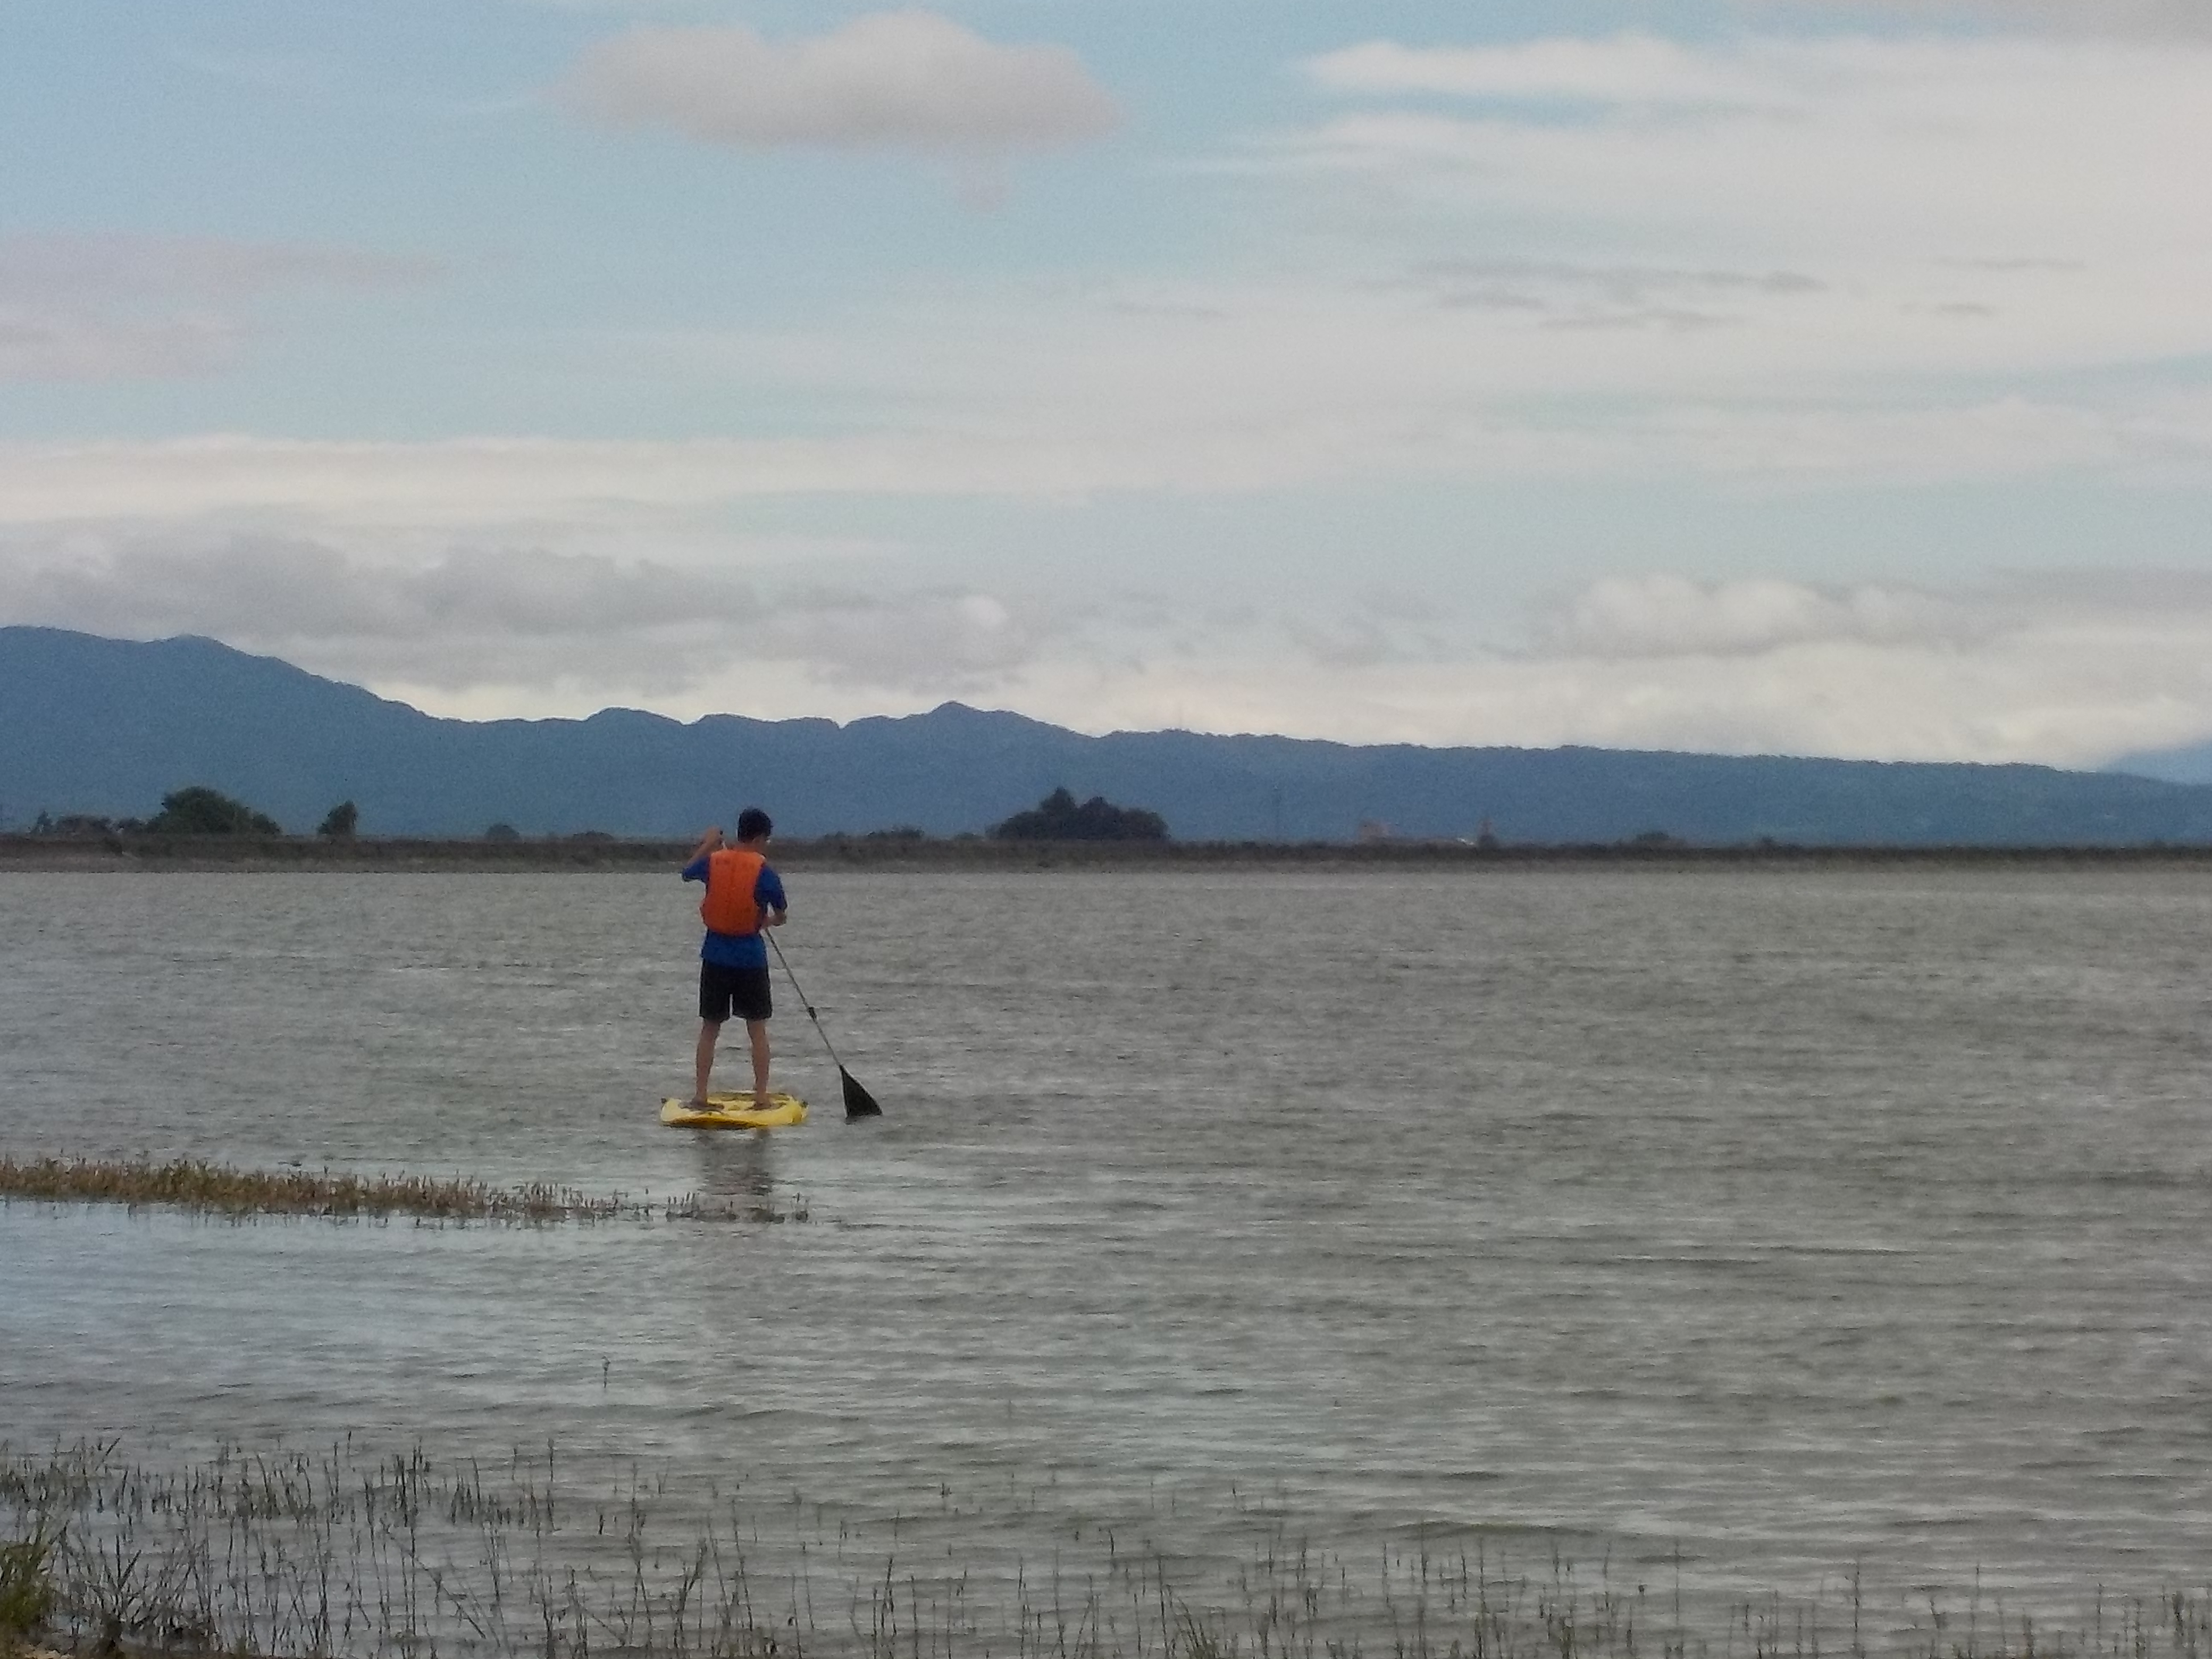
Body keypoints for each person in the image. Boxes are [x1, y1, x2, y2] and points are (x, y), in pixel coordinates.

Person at [681, 807, 788, 1109]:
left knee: (710, 1027)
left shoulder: (713, 861)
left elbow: (686, 872)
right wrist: (766, 921)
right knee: (757, 1028)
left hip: (714, 956)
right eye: (765, 840)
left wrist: (709, 842)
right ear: (759, 838)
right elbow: (780, 914)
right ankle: (761, 1097)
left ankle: (701, 1095)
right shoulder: (764, 872)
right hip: (750, 959)